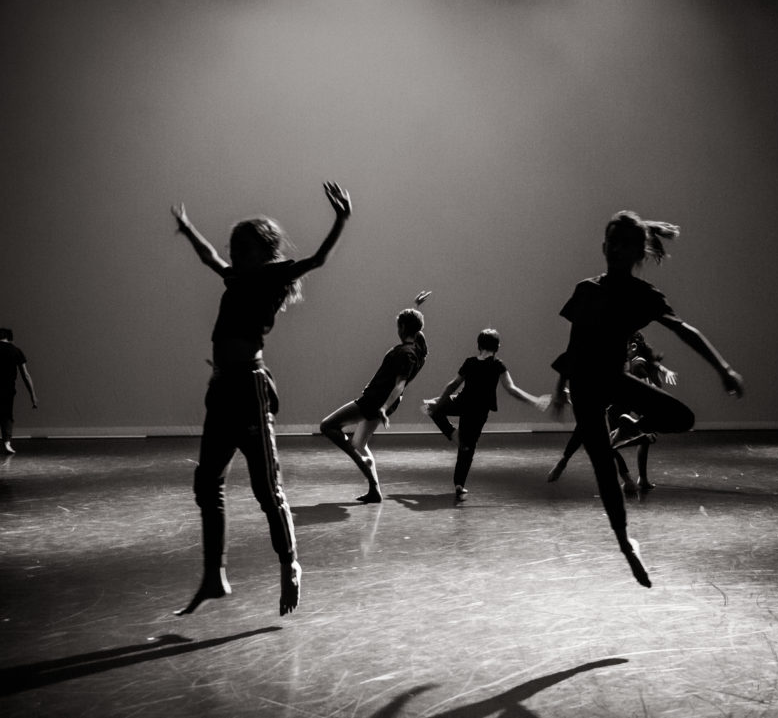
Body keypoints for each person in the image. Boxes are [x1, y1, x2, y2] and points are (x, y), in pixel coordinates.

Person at [170, 180, 352, 617]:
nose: (234, 255)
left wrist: (341, 219)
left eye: (244, 248)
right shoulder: (235, 276)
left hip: (249, 390)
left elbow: (317, 260)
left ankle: (290, 564)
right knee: (206, 483)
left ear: (264, 252)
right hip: (221, 389)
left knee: (266, 490)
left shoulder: (273, 275)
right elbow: (209, 258)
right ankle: (214, 576)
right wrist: (188, 229)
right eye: (234, 248)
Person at [551, 210, 744, 588]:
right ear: (604, 246)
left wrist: (723, 369)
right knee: (604, 470)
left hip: (614, 379)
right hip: (586, 386)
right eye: (613, 242)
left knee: (682, 417)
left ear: (638, 253)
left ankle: (632, 427)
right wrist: (560, 387)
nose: (617, 249)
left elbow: (683, 330)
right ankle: (625, 543)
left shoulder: (643, 295)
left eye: (626, 245)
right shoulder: (586, 290)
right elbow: (574, 344)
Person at [320, 292, 430, 504]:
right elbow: (417, 331)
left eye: (399, 326)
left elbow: (399, 384)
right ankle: (374, 490)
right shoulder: (418, 350)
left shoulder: (406, 354)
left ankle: (362, 464)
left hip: (374, 401)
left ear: (402, 328)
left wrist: (383, 407)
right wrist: (417, 307)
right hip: (381, 402)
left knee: (328, 426)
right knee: (359, 443)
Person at [421, 328, 550, 499]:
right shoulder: (497, 365)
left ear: (479, 345)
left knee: (432, 408)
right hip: (478, 411)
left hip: (462, 402)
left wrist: (438, 404)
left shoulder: (470, 362)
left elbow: (453, 385)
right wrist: (534, 401)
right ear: (497, 347)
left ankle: (456, 455)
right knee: (467, 447)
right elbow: (511, 389)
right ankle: (459, 483)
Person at [547, 332, 676, 493]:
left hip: (614, 404)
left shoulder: (633, 363)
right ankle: (632, 477)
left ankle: (629, 467)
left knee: (604, 442)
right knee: (604, 441)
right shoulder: (630, 360)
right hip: (613, 403)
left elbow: (643, 381)